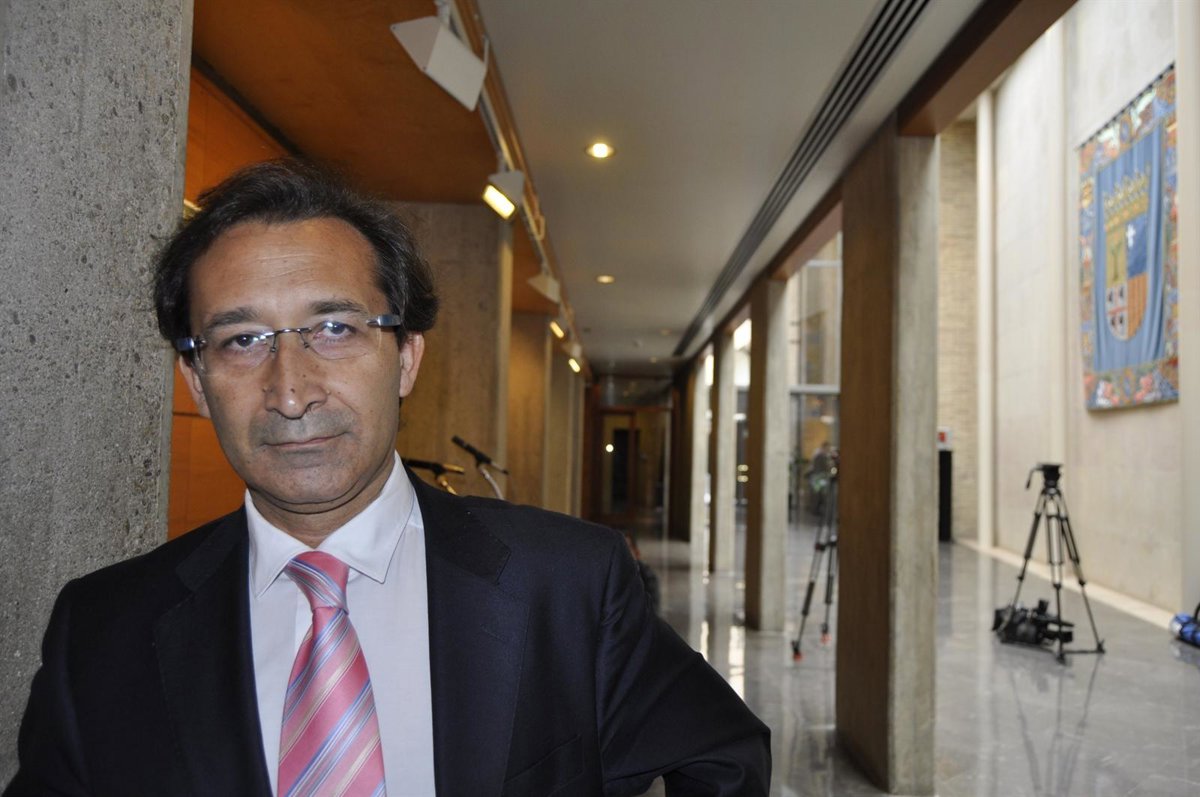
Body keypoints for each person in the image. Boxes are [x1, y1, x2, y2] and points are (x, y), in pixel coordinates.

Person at [6, 161, 770, 796]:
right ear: (197, 383)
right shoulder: (103, 630)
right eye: (242, 340)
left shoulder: (569, 585)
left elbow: (723, 756)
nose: (291, 390)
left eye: (334, 329)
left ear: (405, 358)